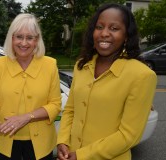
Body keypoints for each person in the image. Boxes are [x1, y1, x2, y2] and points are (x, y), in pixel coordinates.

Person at [56, 3, 157, 160]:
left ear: (127, 36)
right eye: (99, 27)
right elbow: (70, 110)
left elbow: (129, 135)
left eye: (114, 28)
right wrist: (62, 141)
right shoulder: (82, 65)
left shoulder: (142, 75)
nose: (104, 33)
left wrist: (81, 156)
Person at [0, 13, 62, 160]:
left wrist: (27, 117)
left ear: (36, 40)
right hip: (4, 141)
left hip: (41, 145)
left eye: (29, 38)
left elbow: (55, 104)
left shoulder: (50, 65)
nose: (24, 43)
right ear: (11, 38)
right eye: (19, 37)